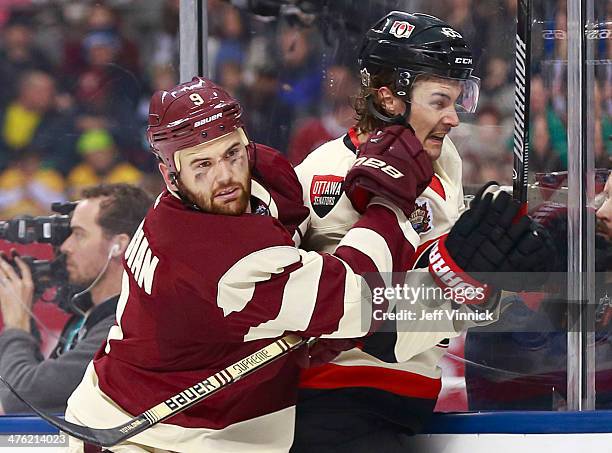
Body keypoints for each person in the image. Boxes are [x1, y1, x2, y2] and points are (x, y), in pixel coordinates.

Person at [64, 76, 435, 453]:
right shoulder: (207, 260)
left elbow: (288, 240)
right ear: (169, 176)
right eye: (202, 165)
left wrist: (300, 318)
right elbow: (361, 296)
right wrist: (388, 204)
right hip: (150, 439)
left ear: (245, 142)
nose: (224, 176)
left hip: (133, 404)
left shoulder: (260, 176)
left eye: (231, 154)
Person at [292, 11, 555, 452]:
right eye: (439, 101)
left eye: (457, 100)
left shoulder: (442, 161)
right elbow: (353, 319)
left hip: (401, 410)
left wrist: (501, 285)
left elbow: (452, 299)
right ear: (389, 98)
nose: (453, 118)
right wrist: (462, 285)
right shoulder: (328, 176)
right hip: (338, 413)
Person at [0, 183, 153, 414]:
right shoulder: (86, 319)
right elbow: (43, 391)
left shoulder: (124, 329)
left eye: (79, 235)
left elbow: (21, 399)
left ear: (118, 245)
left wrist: (16, 326)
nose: (65, 246)